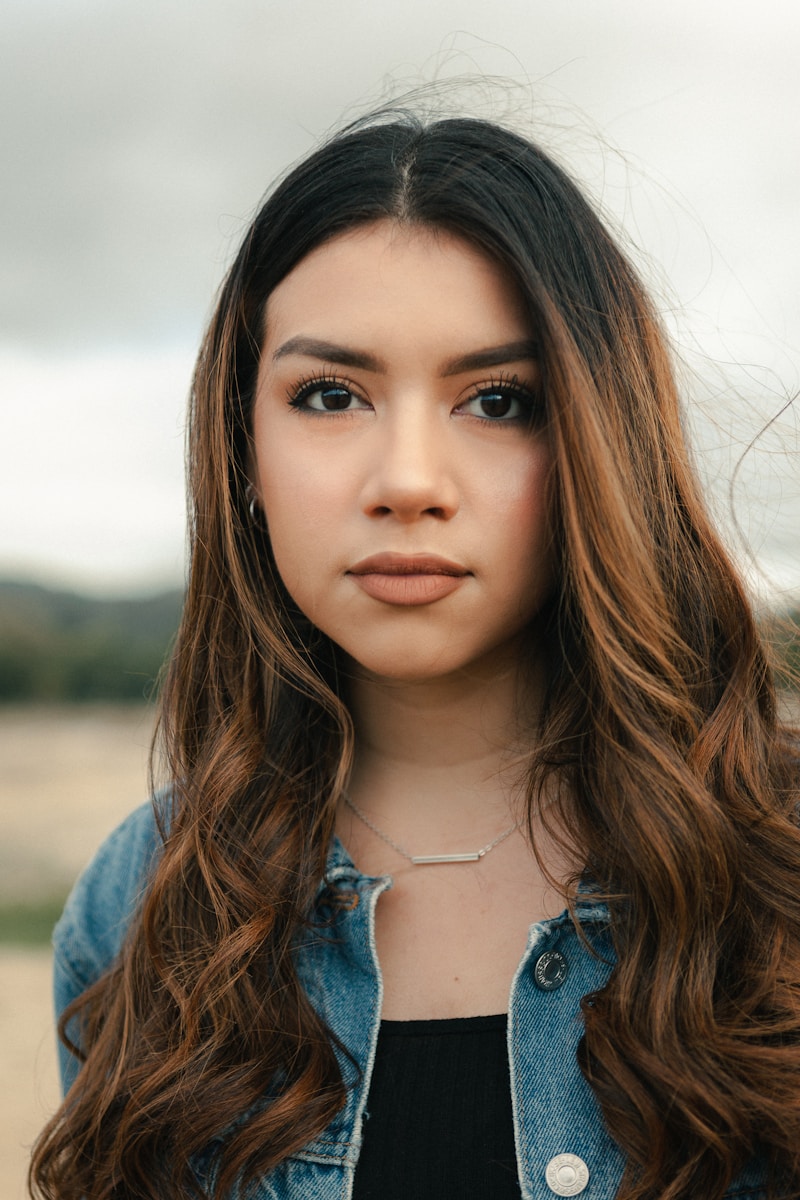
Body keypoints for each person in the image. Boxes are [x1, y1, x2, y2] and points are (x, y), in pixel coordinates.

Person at [30, 109, 800, 1200]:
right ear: (240, 445)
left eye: (496, 400)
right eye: (329, 396)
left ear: (598, 439)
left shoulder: (773, 864)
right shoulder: (145, 902)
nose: (406, 480)